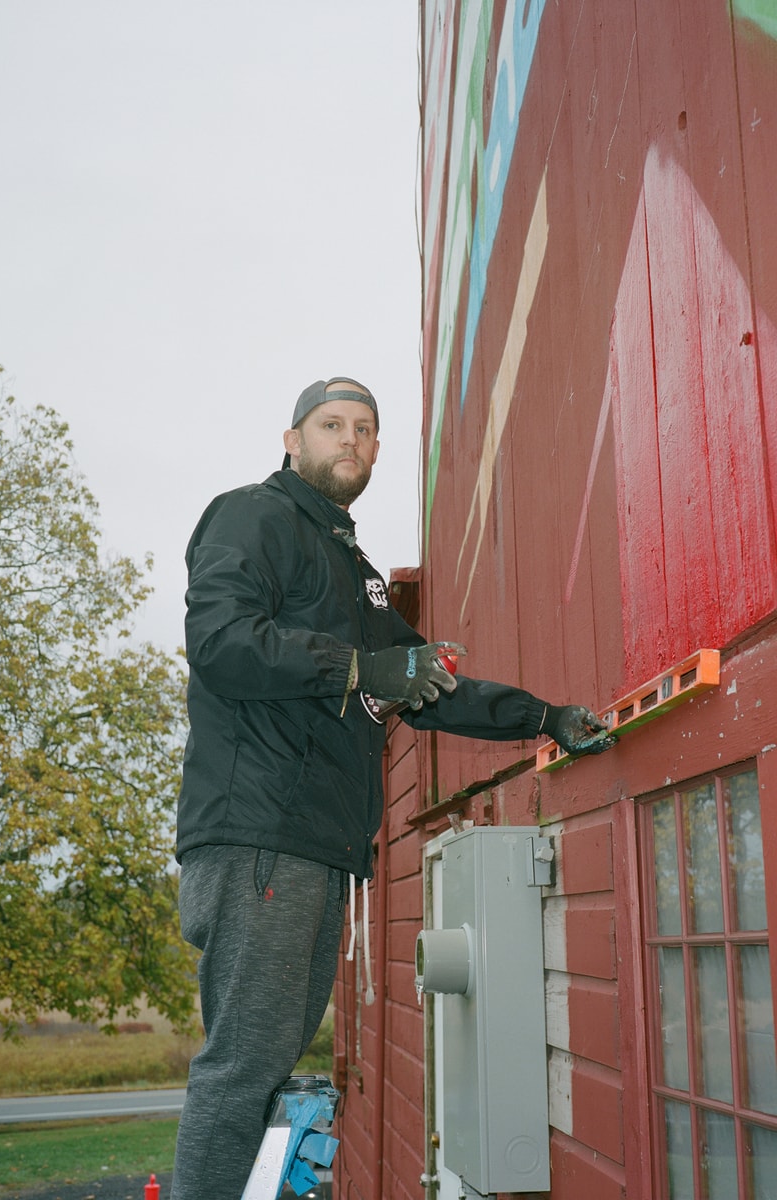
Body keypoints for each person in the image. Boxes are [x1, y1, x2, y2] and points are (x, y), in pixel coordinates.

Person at [171, 376, 613, 1200]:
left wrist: (544, 716)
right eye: (331, 424)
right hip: (257, 837)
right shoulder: (252, 516)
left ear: (376, 450)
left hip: (313, 850)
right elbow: (222, 640)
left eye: (365, 428)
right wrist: (357, 667)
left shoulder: (355, 573)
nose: (350, 439)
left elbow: (423, 685)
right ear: (292, 439)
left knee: (266, 1067)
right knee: (244, 1069)